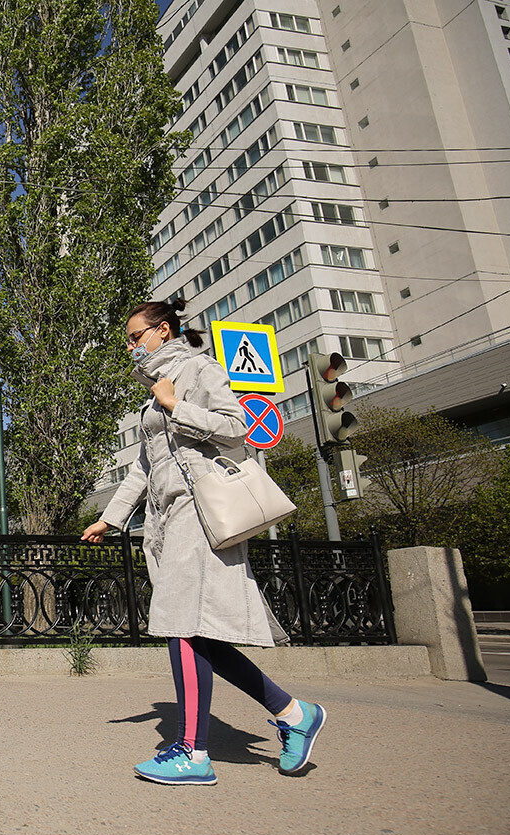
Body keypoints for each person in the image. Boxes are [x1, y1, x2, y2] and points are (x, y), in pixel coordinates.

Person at [81, 299, 326, 786]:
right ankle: (295, 713)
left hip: (202, 511)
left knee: (183, 627)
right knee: (202, 636)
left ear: (163, 330)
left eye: (135, 337)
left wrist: (178, 406)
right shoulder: (154, 393)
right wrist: (110, 518)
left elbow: (239, 428)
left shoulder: (198, 368)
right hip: (169, 518)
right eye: (127, 341)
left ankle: (193, 751)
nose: (130, 347)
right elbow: (145, 466)